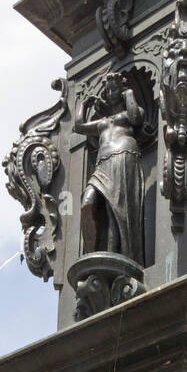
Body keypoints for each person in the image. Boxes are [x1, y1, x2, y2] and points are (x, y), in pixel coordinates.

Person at [75, 72, 145, 266]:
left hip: (124, 158)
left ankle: (117, 255)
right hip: (103, 164)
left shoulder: (128, 114)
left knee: (116, 212)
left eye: (114, 89)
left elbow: (136, 118)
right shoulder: (103, 122)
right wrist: (84, 104)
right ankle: (91, 256)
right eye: (108, 89)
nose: (110, 92)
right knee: (87, 203)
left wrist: (129, 93)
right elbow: (79, 127)